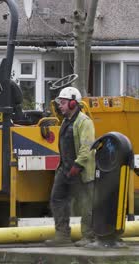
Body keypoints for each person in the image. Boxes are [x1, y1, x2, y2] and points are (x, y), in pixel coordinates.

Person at [45, 86, 95, 247]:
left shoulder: (84, 122)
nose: (60, 105)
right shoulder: (66, 122)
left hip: (80, 171)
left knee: (85, 204)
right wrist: (64, 167)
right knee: (57, 198)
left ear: (74, 103)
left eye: (64, 102)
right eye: (60, 102)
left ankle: (89, 236)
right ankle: (62, 235)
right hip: (65, 169)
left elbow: (87, 147)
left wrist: (78, 165)